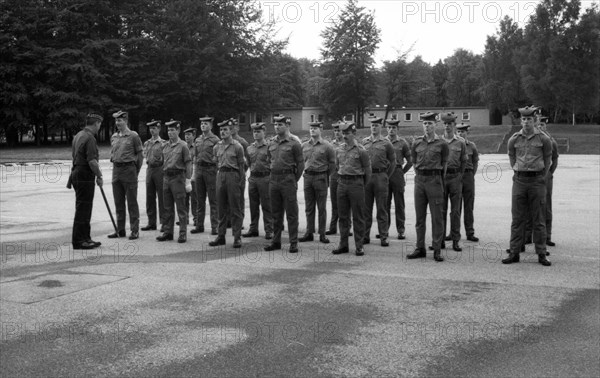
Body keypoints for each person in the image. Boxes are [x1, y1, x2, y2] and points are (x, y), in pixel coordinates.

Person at [503, 106, 552, 266]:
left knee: (538, 219)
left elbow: (547, 160)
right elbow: (511, 157)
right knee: (517, 219)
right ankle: (515, 252)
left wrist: (541, 178)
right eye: (523, 119)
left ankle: (541, 253)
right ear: (520, 120)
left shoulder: (543, 139)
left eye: (529, 119)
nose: (526, 122)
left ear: (534, 120)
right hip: (519, 181)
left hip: (537, 181)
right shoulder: (514, 139)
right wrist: (518, 170)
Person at [407, 112, 449, 262]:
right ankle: (420, 248)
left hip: (435, 180)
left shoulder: (442, 143)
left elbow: (444, 164)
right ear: (422, 125)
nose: (427, 126)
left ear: (435, 125)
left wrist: (438, 180)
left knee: (437, 217)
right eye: (425, 123)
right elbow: (413, 161)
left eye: (430, 123)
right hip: (420, 180)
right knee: (420, 217)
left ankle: (437, 249)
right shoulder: (416, 143)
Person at [264, 114, 304, 253]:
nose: (277, 127)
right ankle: (276, 241)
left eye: (280, 124)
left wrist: (293, 179)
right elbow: (269, 160)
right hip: (274, 180)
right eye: (275, 124)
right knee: (275, 213)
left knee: (291, 213)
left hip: (288, 180)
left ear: (287, 125)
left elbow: (300, 164)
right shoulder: (271, 143)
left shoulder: (294, 143)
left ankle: (293, 242)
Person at [332, 121, 371, 256]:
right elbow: (337, 167)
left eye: (347, 133)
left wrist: (361, 185)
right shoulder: (338, 149)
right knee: (342, 216)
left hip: (356, 184)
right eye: (343, 133)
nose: (344, 136)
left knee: (358, 216)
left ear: (354, 134)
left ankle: (359, 245)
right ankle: (343, 244)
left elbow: (368, 172)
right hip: (342, 183)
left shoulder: (361, 150)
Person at [209, 119, 246, 248]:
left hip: (233, 176)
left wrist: (241, 182)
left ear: (231, 131)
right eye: (221, 130)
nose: (223, 132)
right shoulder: (216, 146)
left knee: (235, 208)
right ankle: (221, 236)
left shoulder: (237, 146)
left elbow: (242, 166)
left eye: (225, 130)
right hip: (221, 175)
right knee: (221, 208)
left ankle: (237, 237)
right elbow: (215, 162)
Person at [524, 115, 559, 247]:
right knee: (528, 206)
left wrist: (548, 173)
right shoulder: (531, 139)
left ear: (545, 126)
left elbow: (554, 160)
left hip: (545, 176)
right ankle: (528, 235)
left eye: (542, 125)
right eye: (538, 125)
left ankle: (547, 236)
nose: (540, 127)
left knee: (546, 206)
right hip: (532, 176)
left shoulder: (550, 141)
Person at [71, 113, 104, 249]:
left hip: (77, 173)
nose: (99, 127)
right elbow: (92, 161)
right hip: (84, 174)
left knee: (84, 208)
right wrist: (99, 176)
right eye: (99, 124)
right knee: (83, 209)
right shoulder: (90, 138)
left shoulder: (79, 135)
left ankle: (86, 237)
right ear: (96, 123)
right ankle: (79, 240)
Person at [108, 110, 143, 240]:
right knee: (118, 202)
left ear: (126, 121)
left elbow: (140, 156)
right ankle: (120, 229)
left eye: (120, 120)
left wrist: (136, 171)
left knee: (132, 202)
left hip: (129, 170)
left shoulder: (133, 136)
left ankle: (134, 230)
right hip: (116, 171)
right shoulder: (114, 137)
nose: (118, 123)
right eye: (116, 120)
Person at [299, 121, 336, 244]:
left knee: (321, 208)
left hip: (321, 177)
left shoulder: (327, 146)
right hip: (308, 177)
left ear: (321, 129)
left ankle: (322, 234)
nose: (312, 130)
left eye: (315, 128)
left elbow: (332, 164)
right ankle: (309, 232)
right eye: (311, 128)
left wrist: (325, 175)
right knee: (309, 208)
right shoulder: (304, 146)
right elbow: (300, 162)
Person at [156, 120, 193, 243]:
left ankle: (182, 233)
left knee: (181, 207)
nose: (170, 132)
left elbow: (188, 163)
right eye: (168, 130)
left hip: (178, 178)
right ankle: (168, 232)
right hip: (166, 177)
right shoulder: (165, 146)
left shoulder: (183, 146)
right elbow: (162, 161)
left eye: (173, 130)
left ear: (178, 130)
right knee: (167, 207)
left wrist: (188, 180)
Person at [362, 116, 395, 247]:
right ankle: (365, 235)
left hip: (381, 176)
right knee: (366, 209)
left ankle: (384, 236)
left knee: (382, 208)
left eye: (376, 125)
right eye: (372, 125)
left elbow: (393, 162)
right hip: (368, 177)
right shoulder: (364, 142)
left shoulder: (386, 143)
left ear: (381, 127)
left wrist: (386, 175)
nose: (374, 127)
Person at [437, 112, 467, 252]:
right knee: (441, 210)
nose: (447, 126)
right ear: (443, 125)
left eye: (450, 124)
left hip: (455, 177)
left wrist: (459, 176)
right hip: (441, 178)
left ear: (454, 125)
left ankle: (455, 240)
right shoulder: (438, 141)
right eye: (445, 124)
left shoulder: (460, 142)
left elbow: (463, 161)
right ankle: (440, 240)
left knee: (455, 211)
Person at [243, 122, 273, 240]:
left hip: (265, 178)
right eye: (254, 131)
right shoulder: (250, 148)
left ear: (264, 132)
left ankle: (269, 229)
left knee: (266, 205)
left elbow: (272, 163)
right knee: (253, 205)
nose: (256, 134)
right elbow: (248, 163)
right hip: (253, 178)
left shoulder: (269, 147)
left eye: (258, 131)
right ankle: (253, 228)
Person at [191, 116, 220, 235]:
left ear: (211, 126)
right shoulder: (197, 140)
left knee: (213, 199)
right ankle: (199, 225)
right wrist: (194, 172)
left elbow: (218, 157)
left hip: (210, 170)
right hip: (199, 169)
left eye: (206, 123)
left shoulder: (215, 140)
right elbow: (195, 156)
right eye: (202, 123)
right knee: (199, 199)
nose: (203, 125)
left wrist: (215, 169)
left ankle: (215, 226)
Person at [385, 119, 412, 240]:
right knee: (384, 203)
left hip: (397, 172)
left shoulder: (403, 143)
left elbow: (411, 161)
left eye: (394, 128)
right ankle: (384, 229)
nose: (391, 130)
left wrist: (402, 172)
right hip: (384, 174)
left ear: (397, 129)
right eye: (389, 127)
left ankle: (401, 230)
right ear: (387, 128)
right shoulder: (382, 142)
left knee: (399, 203)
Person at [456, 123, 480, 242]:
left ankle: (470, 232)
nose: (460, 134)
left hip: (468, 175)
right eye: (459, 132)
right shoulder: (454, 145)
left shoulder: (472, 146)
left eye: (463, 132)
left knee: (468, 206)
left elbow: (475, 161)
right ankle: (454, 232)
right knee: (456, 206)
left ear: (467, 133)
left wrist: (471, 174)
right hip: (457, 175)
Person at [141, 119, 166, 232]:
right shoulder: (147, 143)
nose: (152, 130)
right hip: (149, 169)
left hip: (160, 170)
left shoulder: (164, 144)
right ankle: (151, 222)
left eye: (154, 128)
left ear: (159, 129)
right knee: (149, 197)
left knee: (162, 197)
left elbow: (166, 159)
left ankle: (164, 222)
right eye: (150, 128)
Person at [326, 121, 345, 235]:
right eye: (336, 131)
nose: (337, 133)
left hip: (344, 175)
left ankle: (345, 228)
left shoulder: (348, 143)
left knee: (345, 204)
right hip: (333, 176)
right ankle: (333, 227)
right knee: (334, 203)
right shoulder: (330, 145)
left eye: (339, 131)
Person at [183, 127, 198, 227]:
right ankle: (185, 219)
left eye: (189, 135)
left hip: (193, 175)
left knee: (194, 198)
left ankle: (196, 218)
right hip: (183, 175)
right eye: (186, 135)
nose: (187, 137)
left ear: (194, 136)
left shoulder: (196, 147)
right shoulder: (182, 146)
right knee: (183, 198)